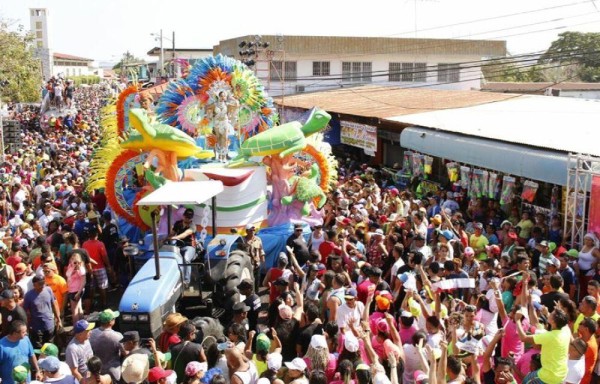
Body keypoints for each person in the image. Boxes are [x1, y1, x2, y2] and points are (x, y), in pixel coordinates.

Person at [515, 308, 570, 384]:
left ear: (553, 321)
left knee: (526, 381)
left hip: (549, 376)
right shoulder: (566, 331)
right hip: (562, 375)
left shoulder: (548, 336)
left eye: (551, 314)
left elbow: (523, 338)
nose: (549, 314)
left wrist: (517, 320)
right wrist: (547, 313)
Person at [23, 275, 62, 348]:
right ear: (34, 285)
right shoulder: (28, 295)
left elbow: (54, 304)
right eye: (40, 284)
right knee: (38, 348)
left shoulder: (48, 290)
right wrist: (27, 326)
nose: (42, 285)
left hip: (49, 325)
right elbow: (25, 311)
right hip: (36, 327)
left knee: (50, 346)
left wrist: (58, 319)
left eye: (43, 283)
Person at [89, 309, 123, 382]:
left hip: (97, 371)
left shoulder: (91, 334)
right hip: (113, 372)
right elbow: (125, 352)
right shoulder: (118, 336)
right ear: (110, 322)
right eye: (114, 318)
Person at [170, 208, 197, 287]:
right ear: (183, 216)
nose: (187, 219)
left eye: (189, 218)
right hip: (178, 247)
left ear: (191, 218)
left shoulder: (192, 226)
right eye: (186, 217)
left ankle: (186, 281)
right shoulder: (177, 223)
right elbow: (172, 233)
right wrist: (165, 239)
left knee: (186, 258)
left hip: (189, 247)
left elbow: (185, 234)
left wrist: (175, 237)